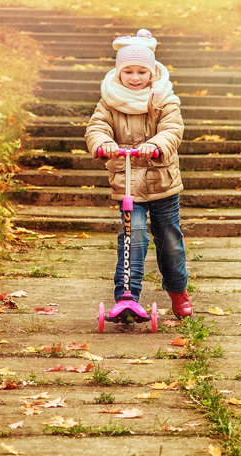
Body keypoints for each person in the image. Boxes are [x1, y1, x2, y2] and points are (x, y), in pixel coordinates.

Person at [85, 29, 192, 319]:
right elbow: (97, 127)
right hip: (128, 183)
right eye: (128, 71)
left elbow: (173, 129)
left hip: (163, 183)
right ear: (119, 73)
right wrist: (103, 143)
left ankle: (177, 290)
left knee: (169, 241)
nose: (135, 77)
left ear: (152, 72)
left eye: (141, 71)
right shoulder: (109, 101)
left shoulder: (163, 99)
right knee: (134, 236)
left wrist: (156, 145)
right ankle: (126, 298)